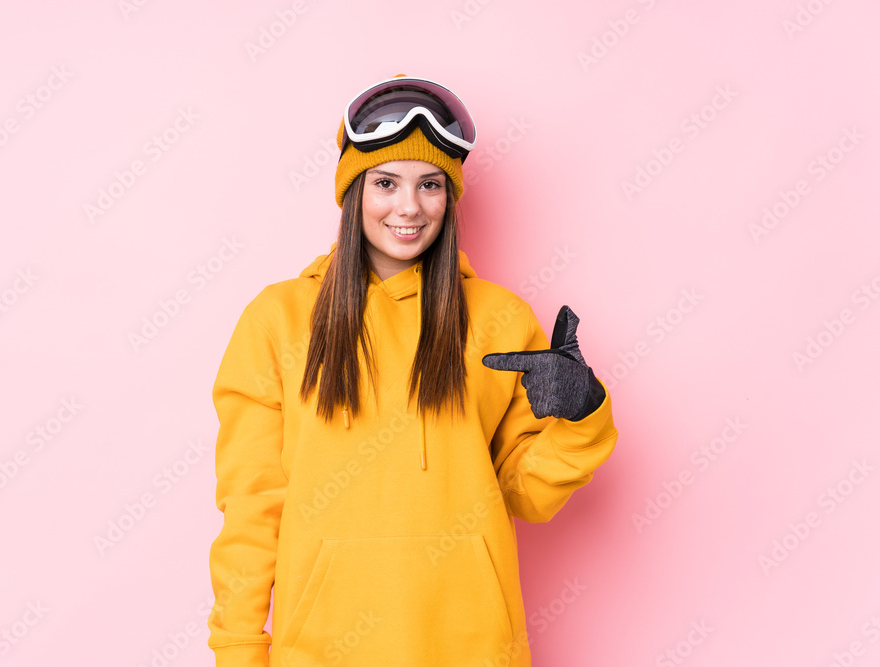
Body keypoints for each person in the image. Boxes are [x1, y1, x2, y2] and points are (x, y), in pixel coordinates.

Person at [206, 74, 618, 667]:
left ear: (450, 197)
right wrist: (239, 648)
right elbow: (252, 504)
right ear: (354, 193)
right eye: (385, 183)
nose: (409, 207)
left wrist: (581, 415)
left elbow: (525, 493)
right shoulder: (279, 321)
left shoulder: (499, 320)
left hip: (472, 646)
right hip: (323, 649)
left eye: (430, 184)